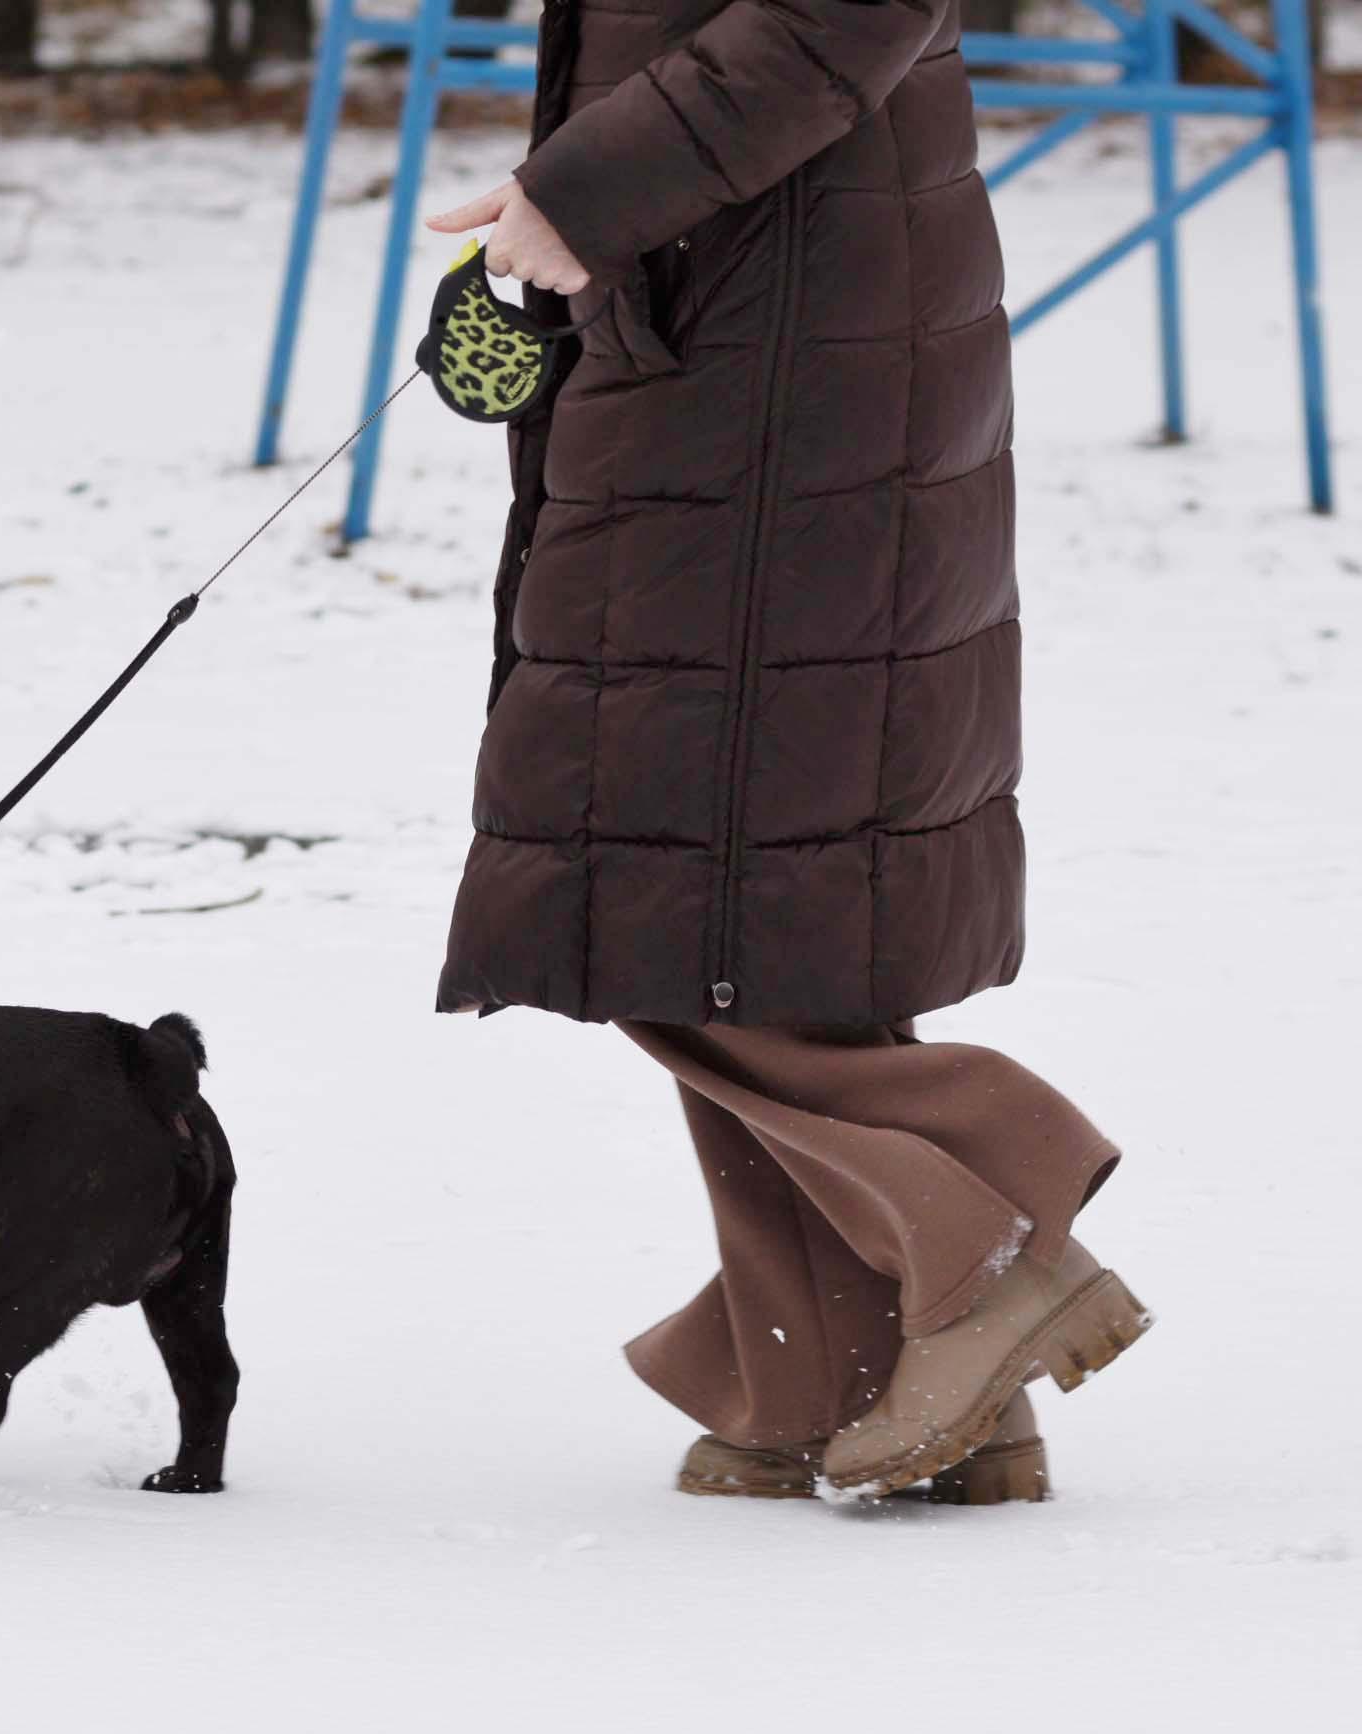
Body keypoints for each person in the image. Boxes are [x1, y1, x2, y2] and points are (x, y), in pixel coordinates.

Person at [421, 0, 1150, 1501]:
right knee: (743, 889)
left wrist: (595, 187)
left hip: (777, 360)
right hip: (743, 320)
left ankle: (988, 1230)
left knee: (656, 859)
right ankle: (850, 1372)